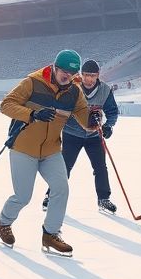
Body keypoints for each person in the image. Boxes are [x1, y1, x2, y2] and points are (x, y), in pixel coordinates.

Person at [0, 49, 91, 255]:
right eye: (63, 71)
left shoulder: (74, 92)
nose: (67, 76)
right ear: (54, 67)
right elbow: (6, 105)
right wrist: (32, 114)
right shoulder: (32, 82)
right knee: (23, 196)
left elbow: (85, 117)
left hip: (51, 149)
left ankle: (51, 234)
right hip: (23, 148)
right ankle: (2, 223)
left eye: (71, 74)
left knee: (61, 188)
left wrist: (94, 121)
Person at [42, 59, 120, 214]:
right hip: (72, 134)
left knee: (100, 167)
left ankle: (103, 199)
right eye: (85, 75)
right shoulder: (72, 88)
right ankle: (51, 195)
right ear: (81, 75)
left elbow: (112, 111)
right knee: (64, 167)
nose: (88, 79)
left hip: (94, 136)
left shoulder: (105, 90)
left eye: (92, 75)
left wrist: (108, 126)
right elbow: (60, 107)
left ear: (98, 75)